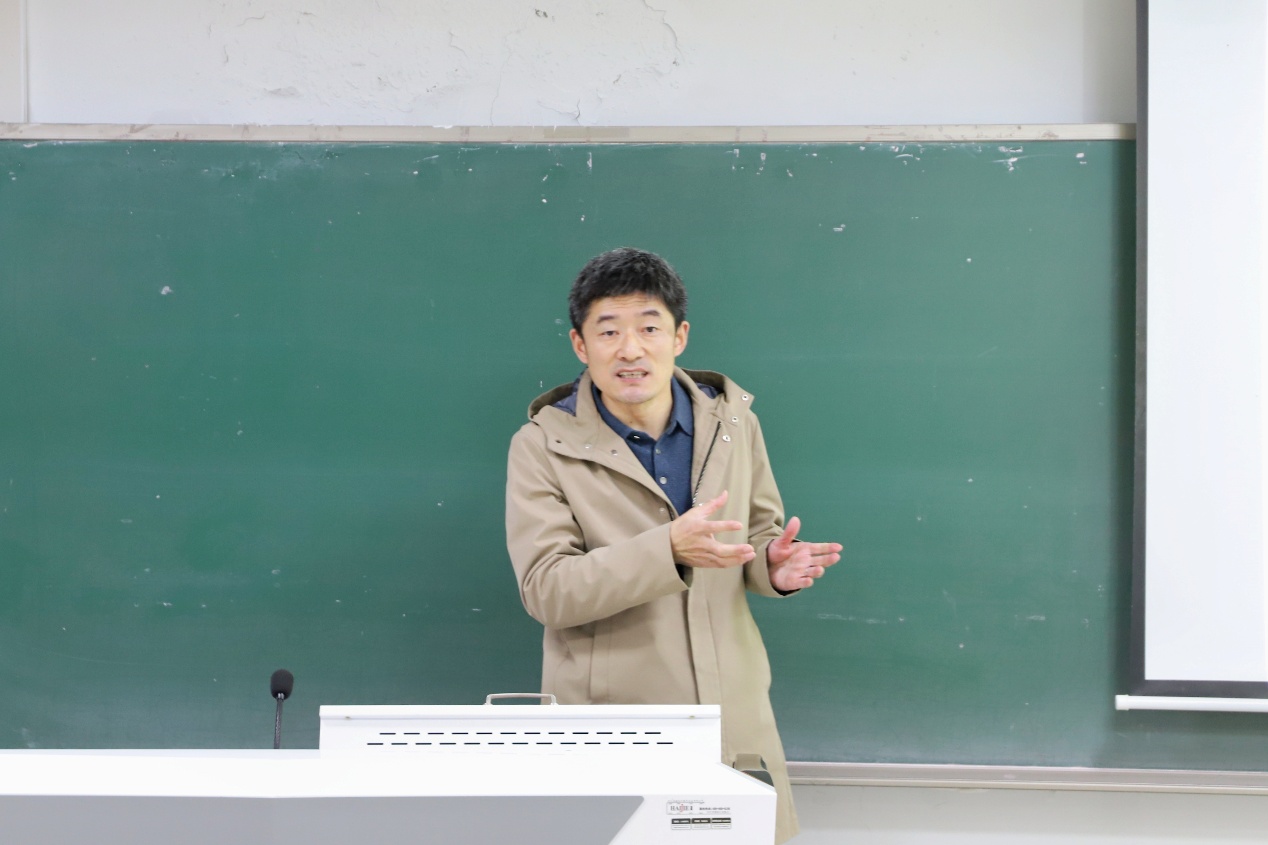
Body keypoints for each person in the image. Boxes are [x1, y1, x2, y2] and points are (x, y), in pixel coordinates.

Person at [505, 247, 841, 843]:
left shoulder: (734, 424)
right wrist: (667, 550)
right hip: (612, 728)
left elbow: (758, 532)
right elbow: (547, 590)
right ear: (581, 345)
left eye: (649, 328)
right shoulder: (542, 445)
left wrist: (771, 566)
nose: (630, 349)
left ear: (680, 336)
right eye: (608, 331)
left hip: (733, 713)